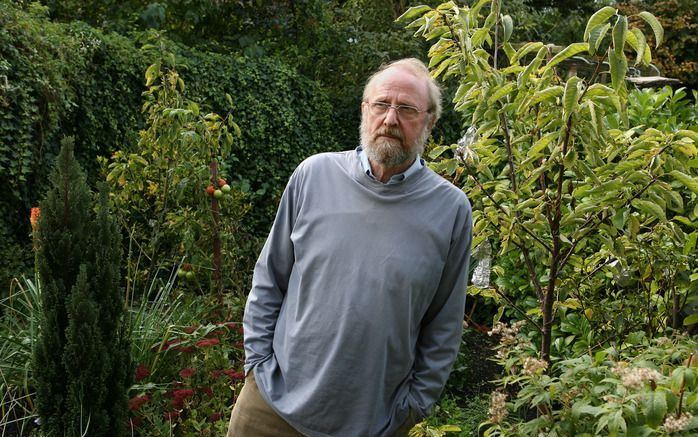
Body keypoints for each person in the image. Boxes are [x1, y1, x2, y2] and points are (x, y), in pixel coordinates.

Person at [227, 58, 472, 437]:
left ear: (428, 121)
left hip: (369, 424)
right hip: (268, 411)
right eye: (381, 104)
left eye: (406, 109)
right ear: (364, 110)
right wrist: (257, 363)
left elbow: (444, 323)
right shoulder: (313, 175)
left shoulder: (451, 209)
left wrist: (413, 407)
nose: (390, 119)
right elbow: (269, 278)